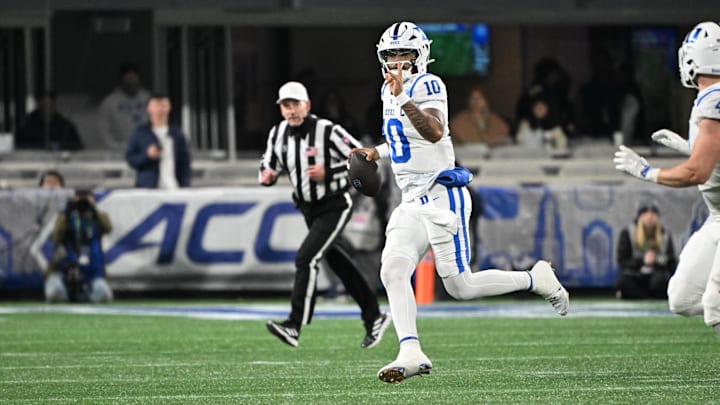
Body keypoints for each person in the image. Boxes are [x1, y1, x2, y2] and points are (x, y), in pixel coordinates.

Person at [351, 21, 570, 384]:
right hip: (411, 199)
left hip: (441, 196)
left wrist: (404, 96)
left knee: (459, 286)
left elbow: (434, 131)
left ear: (419, 56)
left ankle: (536, 279)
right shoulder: (388, 90)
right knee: (392, 270)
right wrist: (377, 152)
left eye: (403, 54)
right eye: (390, 55)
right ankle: (410, 350)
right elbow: (405, 141)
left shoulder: (428, 84)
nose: (396, 61)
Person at [259, 81, 391, 349]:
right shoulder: (278, 133)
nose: (291, 110)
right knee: (340, 264)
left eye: (295, 104)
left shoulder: (328, 131)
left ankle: (294, 325)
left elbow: (362, 159)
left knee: (306, 259)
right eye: (286, 105)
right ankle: (374, 316)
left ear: (306, 105)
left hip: (335, 204)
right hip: (308, 208)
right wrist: (268, 176)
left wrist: (328, 173)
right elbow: (268, 164)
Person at [613, 21, 720, 335]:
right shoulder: (711, 98)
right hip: (717, 215)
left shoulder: (713, 98)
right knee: (682, 298)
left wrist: (647, 172)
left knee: (714, 304)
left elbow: (696, 172)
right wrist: (691, 146)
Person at [44, 189, 113, 303]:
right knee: (55, 293)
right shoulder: (66, 216)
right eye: (80, 197)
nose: (83, 201)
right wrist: (66, 214)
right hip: (65, 269)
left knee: (103, 294)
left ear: (93, 199)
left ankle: (87, 296)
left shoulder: (97, 217)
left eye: (86, 197)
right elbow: (56, 239)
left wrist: (94, 210)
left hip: (92, 271)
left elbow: (108, 228)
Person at [125, 94, 192, 189]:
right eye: (156, 105)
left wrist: (185, 185)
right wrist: (147, 156)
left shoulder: (177, 134)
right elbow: (131, 159)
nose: (160, 109)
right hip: (147, 188)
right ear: (149, 108)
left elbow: (185, 163)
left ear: (169, 107)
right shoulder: (140, 132)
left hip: (173, 187)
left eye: (163, 105)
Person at [616, 204, 676, 299]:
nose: (649, 218)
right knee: (624, 280)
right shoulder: (628, 233)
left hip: (657, 273)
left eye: (653, 214)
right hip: (636, 273)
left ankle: (644, 296)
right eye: (645, 214)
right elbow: (622, 261)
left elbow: (672, 261)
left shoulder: (664, 235)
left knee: (662, 281)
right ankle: (643, 296)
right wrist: (642, 261)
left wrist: (656, 260)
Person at [98, 63, 151, 150]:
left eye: (134, 78)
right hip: (120, 152)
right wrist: (116, 147)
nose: (132, 82)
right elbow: (103, 132)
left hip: (147, 150)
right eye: (129, 79)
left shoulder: (148, 99)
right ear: (121, 80)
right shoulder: (110, 102)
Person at [16, 91, 83, 151]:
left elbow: (77, 146)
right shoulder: (28, 124)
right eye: (44, 106)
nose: (47, 109)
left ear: (54, 103)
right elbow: (20, 146)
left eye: (50, 105)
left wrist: (57, 146)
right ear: (39, 103)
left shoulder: (65, 125)